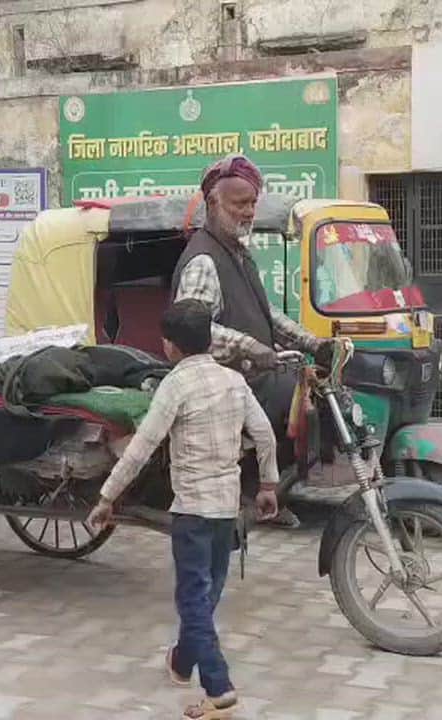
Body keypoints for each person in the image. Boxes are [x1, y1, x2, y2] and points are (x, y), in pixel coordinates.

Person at [86, 299, 279, 720]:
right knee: (206, 595)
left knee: (193, 599)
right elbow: (264, 434)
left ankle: (219, 689)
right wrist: (268, 484)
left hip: (192, 510)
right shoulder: (233, 380)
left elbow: (140, 449)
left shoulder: (175, 385)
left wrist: (106, 496)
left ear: (170, 346)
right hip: (227, 508)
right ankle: (180, 661)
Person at [170, 154, 341, 527]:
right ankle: (255, 490)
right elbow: (193, 329)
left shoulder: (238, 254)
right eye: (239, 204)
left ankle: (270, 491)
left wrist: (314, 343)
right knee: (293, 402)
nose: (247, 212)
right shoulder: (204, 260)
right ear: (213, 203)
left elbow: (266, 315)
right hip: (217, 382)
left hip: (249, 375)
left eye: (251, 204)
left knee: (314, 398)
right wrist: (251, 347)